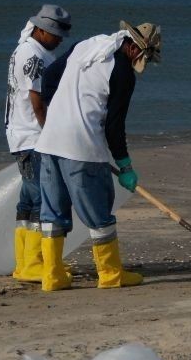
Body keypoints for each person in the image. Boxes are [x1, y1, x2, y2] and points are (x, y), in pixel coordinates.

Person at [33, 21, 162, 291]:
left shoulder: (86, 46)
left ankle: (52, 276)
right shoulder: (123, 73)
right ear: (136, 48)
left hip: (48, 142)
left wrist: (59, 110)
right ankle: (110, 274)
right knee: (99, 212)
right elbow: (115, 126)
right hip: (82, 149)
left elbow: (49, 77)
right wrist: (125, 165)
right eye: (145, 57)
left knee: (53, 212)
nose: (144, 62)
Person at [4, 5, 72, 283]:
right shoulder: (34, 55)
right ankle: (34, 263)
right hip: (32, 136)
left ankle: (23, 263)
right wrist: (50, 132)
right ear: (41, 30)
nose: (59, 40)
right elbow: (36, 99)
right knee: (42, 198)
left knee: (28, 199)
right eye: (55, 34)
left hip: (19, 134)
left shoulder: (25, 49)